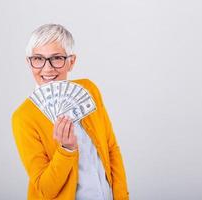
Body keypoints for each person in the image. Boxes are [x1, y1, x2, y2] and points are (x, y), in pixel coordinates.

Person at [11, 24, 129, 200]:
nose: (47, 68)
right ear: (29, 62)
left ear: (71, 61)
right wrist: (67, 150)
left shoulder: (89, 90)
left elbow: (111, 149)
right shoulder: (23, 117)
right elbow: (45, 190)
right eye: (38, 59)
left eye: (57, 58)